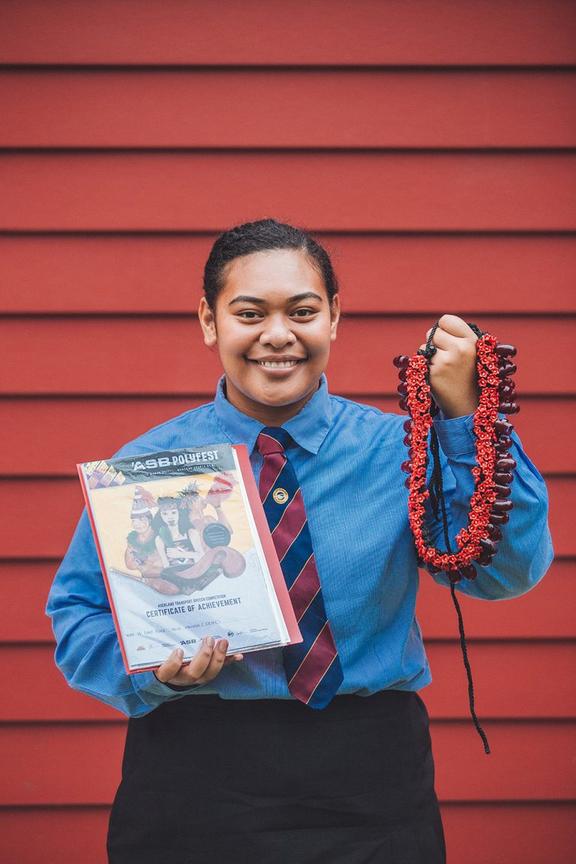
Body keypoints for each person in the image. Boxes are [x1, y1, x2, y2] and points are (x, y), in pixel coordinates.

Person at [47, 219, 552, 864]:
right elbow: (78, 617)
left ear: (334, 318)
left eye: (303, 311)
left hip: (370, 782)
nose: (277, 336)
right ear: (210, 322)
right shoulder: (146, 469)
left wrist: (465, 420)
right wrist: (149, 671)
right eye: (249, 313)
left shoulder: (401, 450)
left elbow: (504, 573)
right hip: (193, 777)